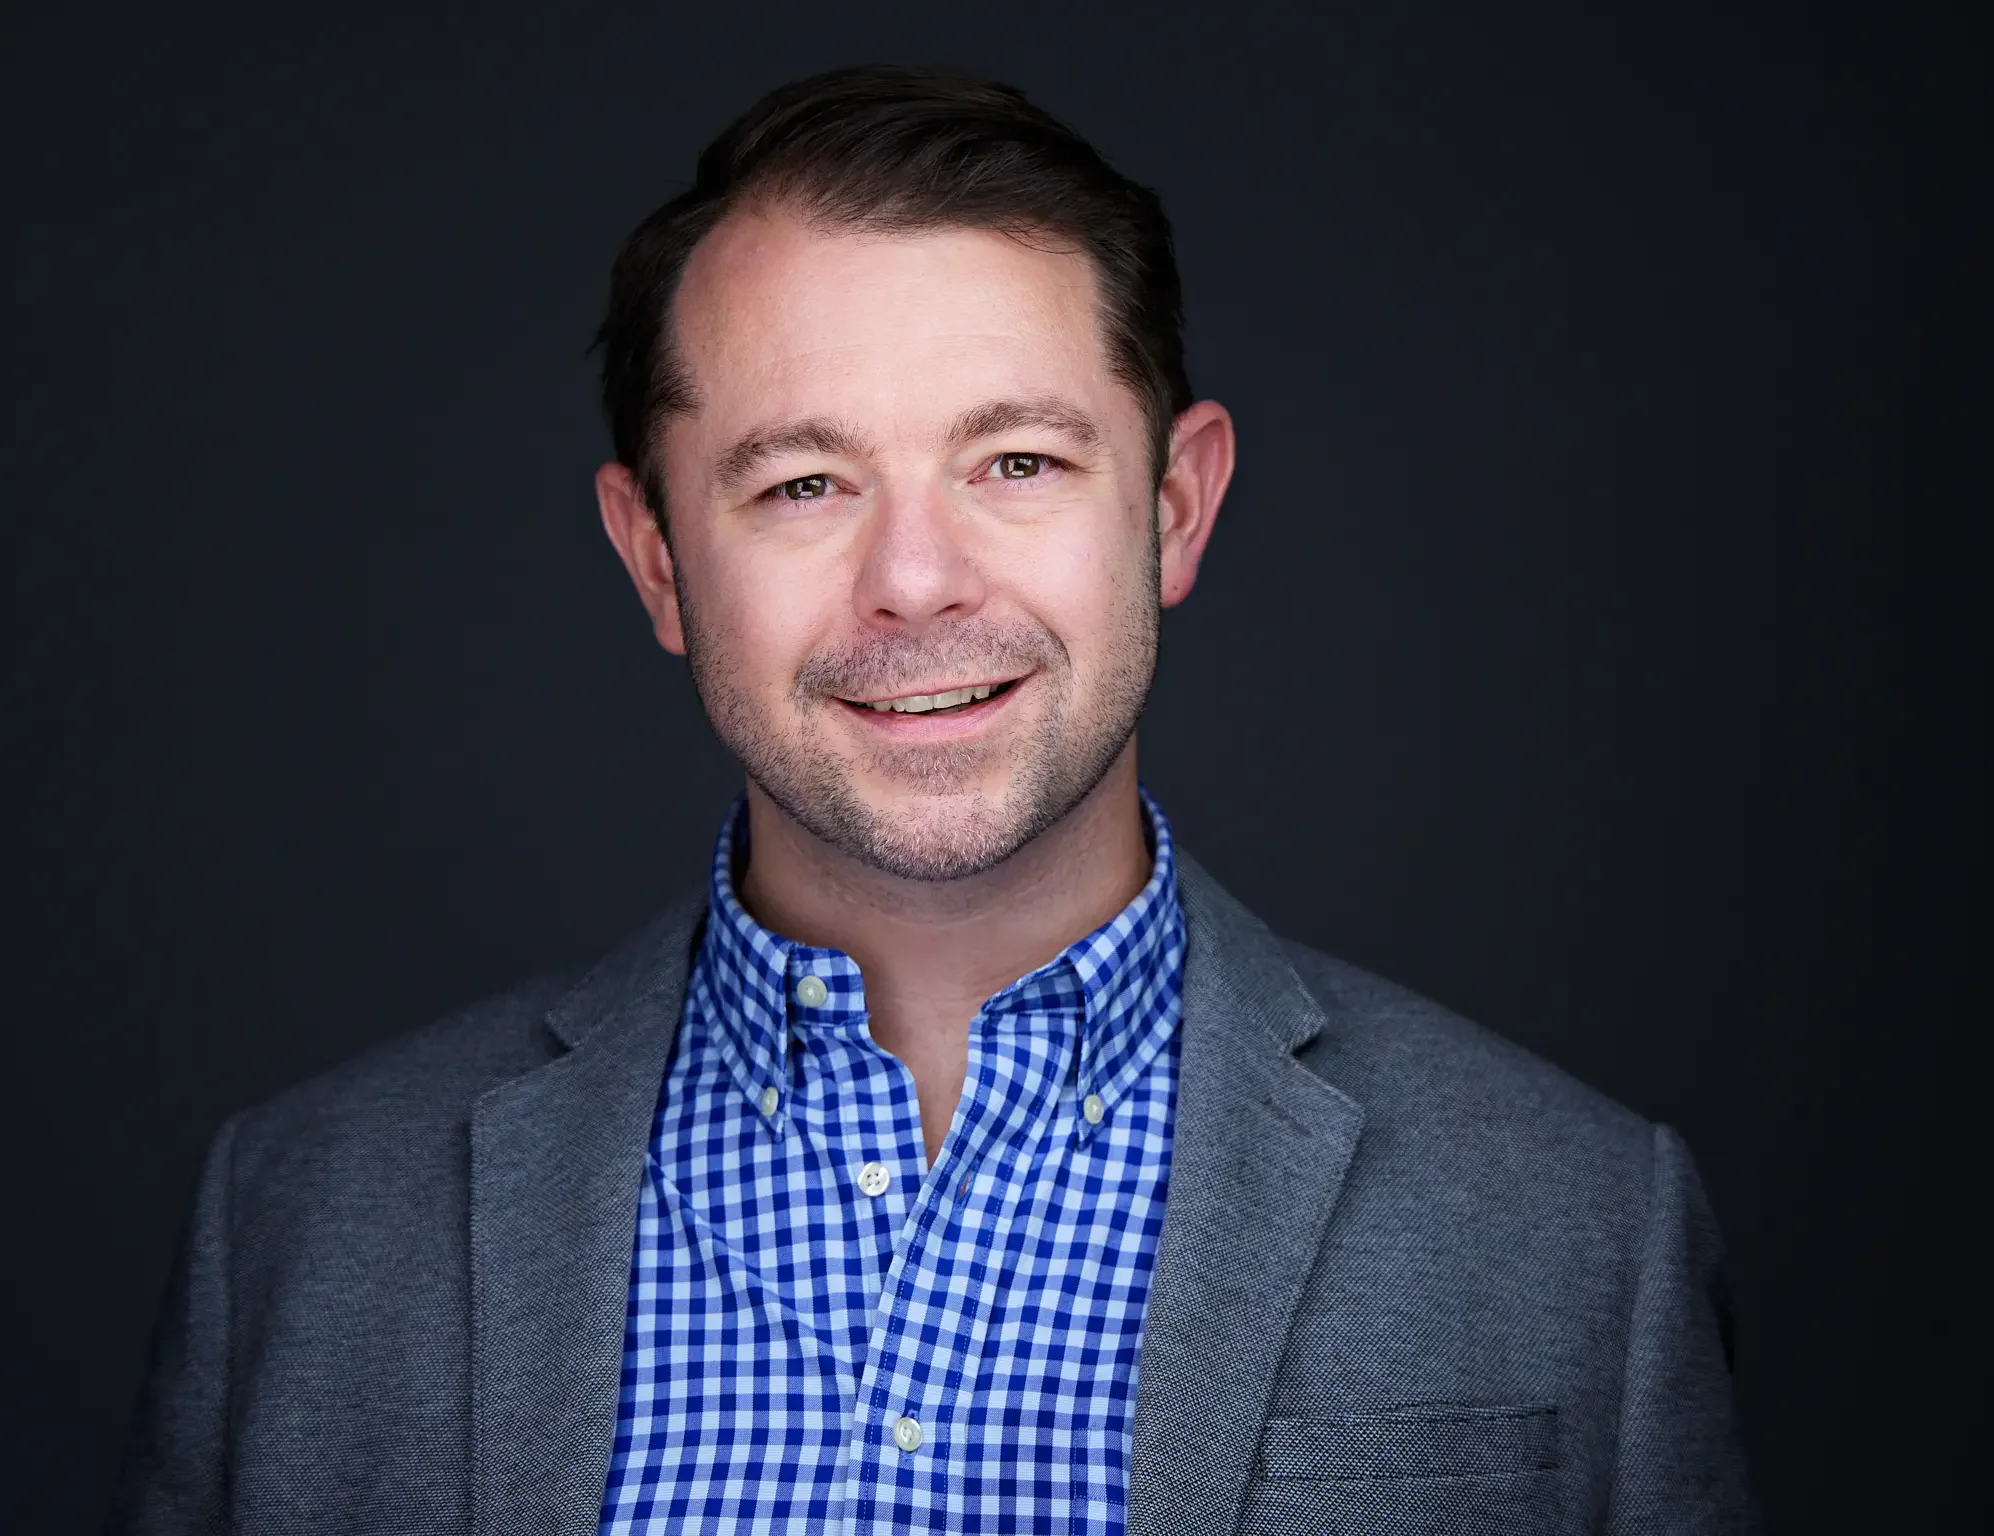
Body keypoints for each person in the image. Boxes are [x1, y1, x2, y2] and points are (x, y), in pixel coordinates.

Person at [111, 66, 1756, 1535]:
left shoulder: (1578, 1228)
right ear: (656, 557)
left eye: (1017, 464)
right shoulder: (301, 1225)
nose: (914, 582)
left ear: (1174, 510)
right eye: (805, 484)